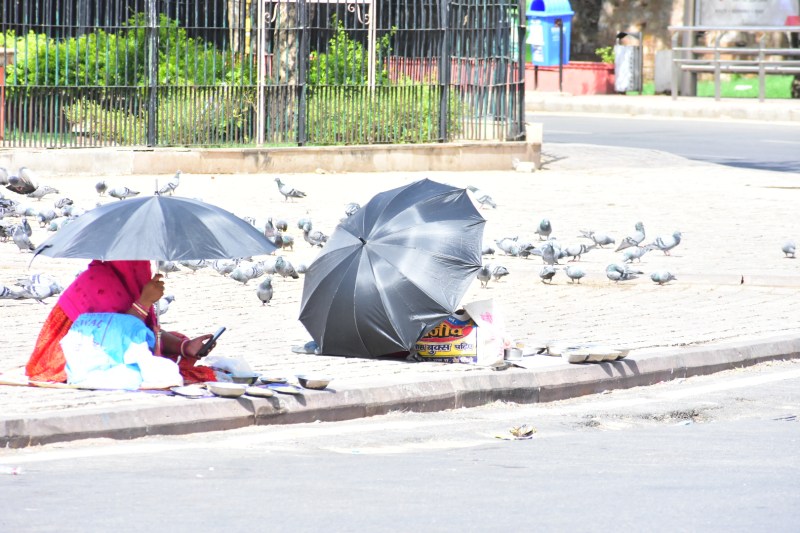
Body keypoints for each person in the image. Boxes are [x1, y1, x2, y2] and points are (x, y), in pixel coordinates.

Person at [26, 260, 217, 384]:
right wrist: (144, 302)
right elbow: (114, 339)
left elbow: (144, 330)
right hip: (78, 354)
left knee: (172, 346)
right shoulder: (98, 281)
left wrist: (185, 347)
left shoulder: (130, 282)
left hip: (116, 345)